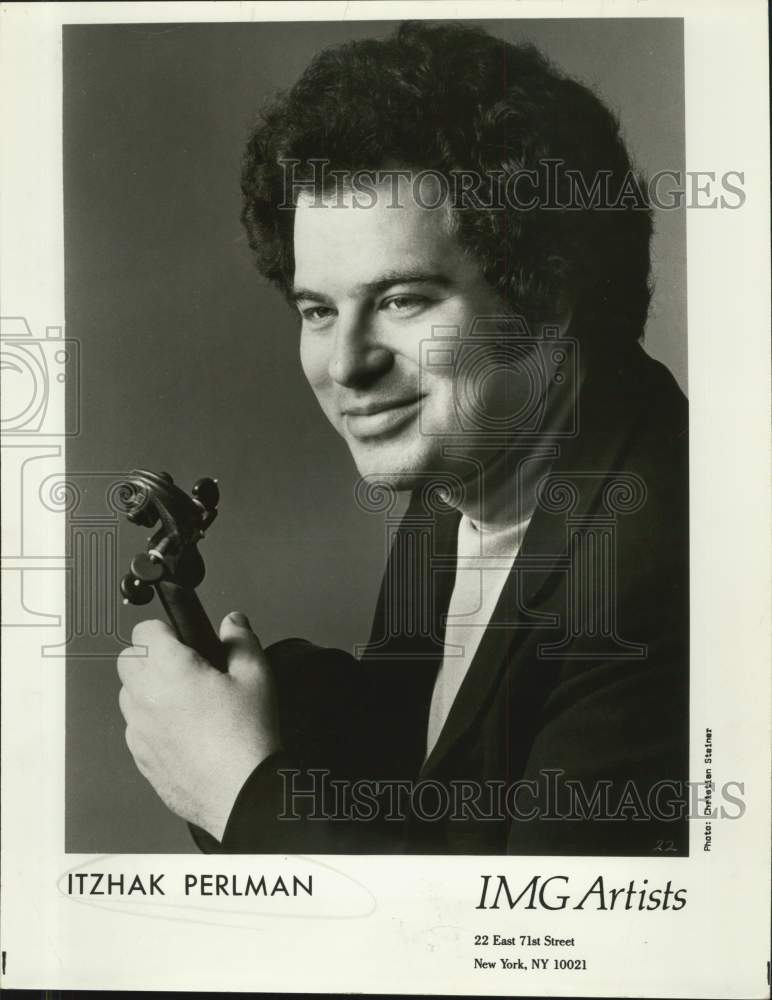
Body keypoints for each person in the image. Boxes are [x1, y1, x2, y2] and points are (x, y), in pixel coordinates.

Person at [117, 21, 688, 855]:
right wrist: (300, 709)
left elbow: (534, 955)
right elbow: (449, 795)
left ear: (549, 292)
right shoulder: (464, 476)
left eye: (403, 300)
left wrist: (242, 790)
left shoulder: (666, 566)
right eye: (318, 310)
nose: (346, 365)